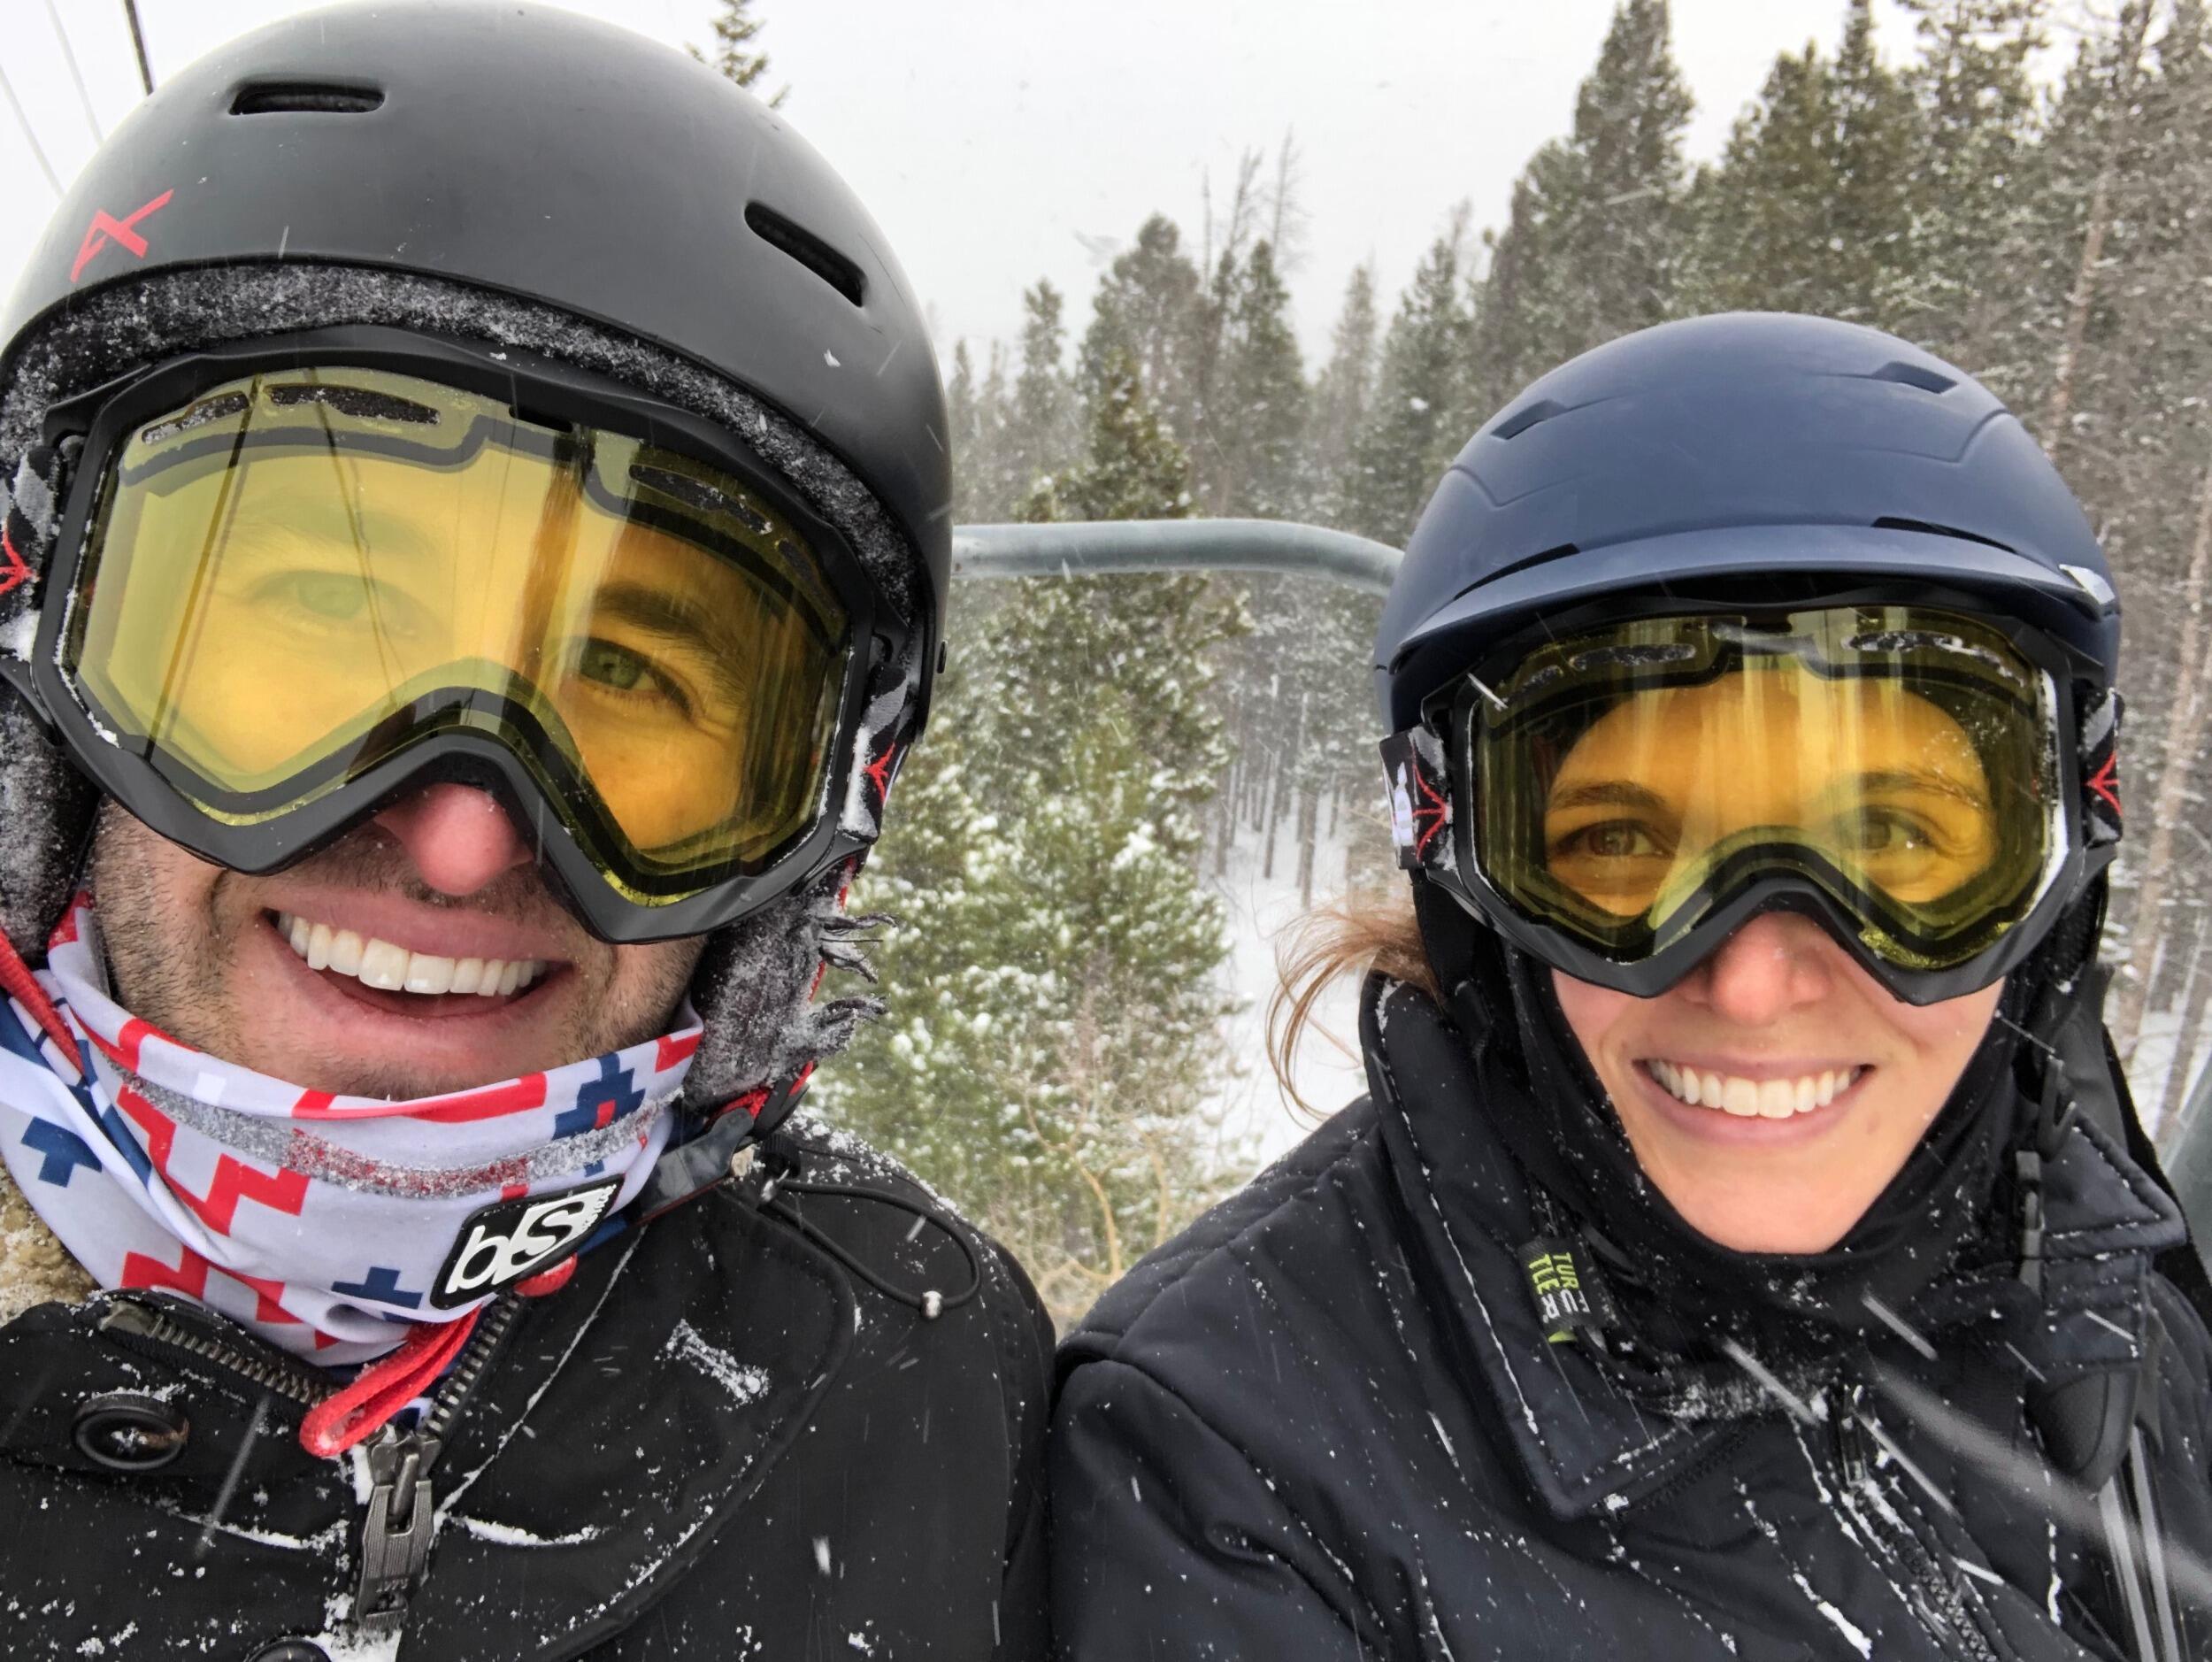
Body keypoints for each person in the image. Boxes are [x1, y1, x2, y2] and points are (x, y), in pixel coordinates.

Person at [0, 7, 1051, 1658]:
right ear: (57, 657)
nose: (468, 839)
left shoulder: (920, 1375)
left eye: (627, 679)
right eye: (328, 609)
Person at [1050, 312, 2212, 1660]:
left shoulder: (2099, 1276)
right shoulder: (1239, 1455)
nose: (1760, 975)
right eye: (1619, 849)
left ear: (2052, 873)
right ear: (1472, 892)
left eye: (1893, 842)